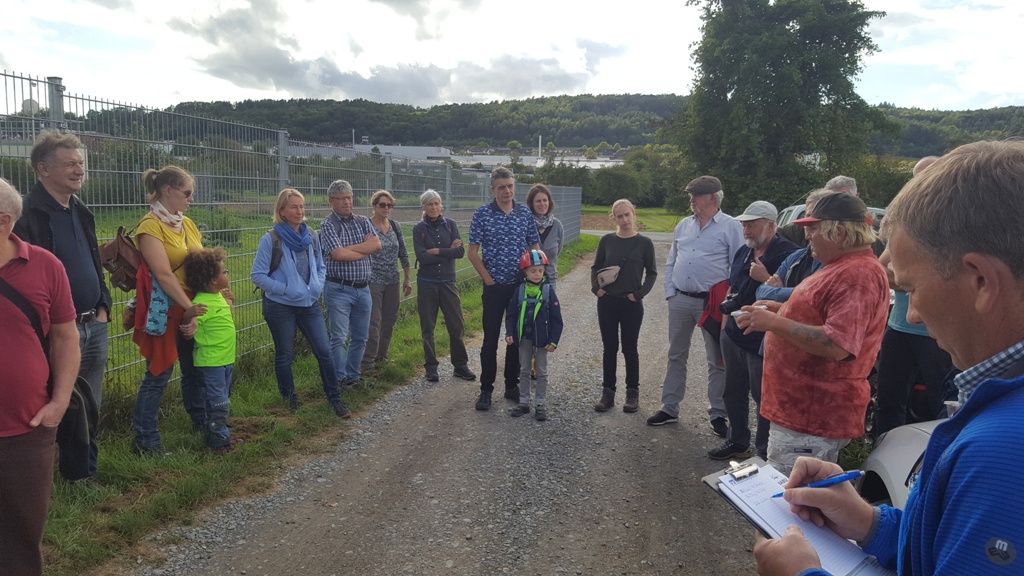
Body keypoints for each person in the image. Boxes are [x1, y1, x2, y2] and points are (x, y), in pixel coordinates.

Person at [753, 140, 1024, 576]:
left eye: (912, 289)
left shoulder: (1003, 452)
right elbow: (939, 545)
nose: (911, 314)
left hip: (814, 410)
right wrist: (871, 523)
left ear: (981, 282)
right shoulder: (996, 406)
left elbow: (840, 343)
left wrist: (804, 575)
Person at [735, 192, 888, 476]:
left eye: (814, 229)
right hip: (803, 413)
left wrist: (773, 322)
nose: (807, 236)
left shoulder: (857, 275)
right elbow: (825, 316)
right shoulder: (844, 267)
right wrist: (782, 310)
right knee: (791, 497)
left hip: (812, 416)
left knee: (793, 501)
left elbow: (836, 344)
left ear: (839, 233)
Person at [13, 131, 110, 481]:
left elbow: (94, 262)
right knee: (53, 404)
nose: (79, 170)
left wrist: (102, 305)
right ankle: (41, 479)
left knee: (89, 406)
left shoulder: (81, 211)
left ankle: (83, 475)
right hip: (55, 330)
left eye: (81, 163)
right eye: (70, 164)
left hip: (92, 324)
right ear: (43, 169)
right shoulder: (26, 217)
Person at [0, 177, 80, 576]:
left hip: (26, 429)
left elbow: (66, 336)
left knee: (20, 539)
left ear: (3, 221)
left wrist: (59, 402)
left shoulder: (45, 266)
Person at [647, 175, 743, 434]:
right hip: (680, 299)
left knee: (716, 359)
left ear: (712, 198)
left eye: (696, 195)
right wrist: (670, 292)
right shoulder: (683, 226)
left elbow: (739, 267)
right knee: (676, 354)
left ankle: (718, 414)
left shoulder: (730, 227)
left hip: (712, 303)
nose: (691, 199)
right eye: (691, 194)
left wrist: (729, 302)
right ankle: (669, 407)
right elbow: (671, 260)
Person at [709, 201, 797, 461]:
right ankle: (736, 441)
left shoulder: (788, 254)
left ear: (770, 226)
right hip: (735, 331)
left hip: (763, 336)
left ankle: (763, 450)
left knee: (763, 396)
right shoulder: (743, 252)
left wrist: (764, 275)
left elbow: (795, 298)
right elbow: (732, 287)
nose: (745, 230)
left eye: (751, 224)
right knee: (732, 390)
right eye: (744, 224)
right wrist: (725, 326)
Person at [130, 165, 208, 456]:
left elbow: (200, 263)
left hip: (189, 304)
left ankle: (201, 424)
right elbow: (162, 274)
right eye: (187, 193)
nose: (190, 200)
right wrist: (190, 310)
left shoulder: (186, 224)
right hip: (166, 308)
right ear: (168, 190)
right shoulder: (150, 227)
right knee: (159, 373)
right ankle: (146, 441)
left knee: (194, 369)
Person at [251, 189, 350, 417]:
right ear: (282, 211)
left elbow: (320, 266)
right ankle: (290, 400)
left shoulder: (311, 236)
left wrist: (317, 284)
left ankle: (334, 398)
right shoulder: (271, 239)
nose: (299, 211)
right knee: (285, 354)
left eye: (302, 206)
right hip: (280, 306)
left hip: (309, 303)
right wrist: (285, 289)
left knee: (325, 351)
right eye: (294, 207)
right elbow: (257, 275)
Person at [874, 155, 953, 434]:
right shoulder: (905, 221)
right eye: (915, 178)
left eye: (926, 177)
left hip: (934, 331)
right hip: (899, 326)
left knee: (940, 402)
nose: (919, 185)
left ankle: (930, 457)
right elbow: (881, 268)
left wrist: (903, 277)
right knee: (889, 397)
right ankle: (882, 456)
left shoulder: (952, 222)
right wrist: (910, 279)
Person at [468, 166, 540, 411]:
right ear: (493, 189)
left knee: (516, 339)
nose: (507, 191)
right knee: (490, 340)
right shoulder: (482, 214)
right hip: (495, 286)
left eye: (510, 186)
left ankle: (511, 385)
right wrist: (488, 279)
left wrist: (534, 276)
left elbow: (534, 246)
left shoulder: (524, 213)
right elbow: (472, 252)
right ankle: (486, 389)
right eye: (502, 187)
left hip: (520, 287)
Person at [591, 199, 658, 413]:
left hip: (631, 304)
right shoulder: (607, 241)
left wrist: (639, 294)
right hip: (608, 302)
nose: (624, 219)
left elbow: (652, 272)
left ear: (634, 215)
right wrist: (597, 290)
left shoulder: (644, 243)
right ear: (614, 218)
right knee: (609, 348)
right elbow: (596, 267)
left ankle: (632, 394)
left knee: (630, 348)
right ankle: (607, 393)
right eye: (619, 216)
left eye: (627, 215)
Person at [319, 180, 381, 389]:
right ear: (331, 201)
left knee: (360, 337)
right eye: (341, 198)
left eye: (349, 197)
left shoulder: (363, 221)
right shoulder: (328, 224)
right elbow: (337, 254)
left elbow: (377, 245)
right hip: (338, 289)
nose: (347, 202)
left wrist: (348, 250)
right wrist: (364, 247)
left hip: (363, 289)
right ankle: (339, 379)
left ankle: (353, 377)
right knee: (339, 337)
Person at [412, 189, 475, 383]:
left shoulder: (451, 225)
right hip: (427, 283)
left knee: (456, 325)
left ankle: (460, 365)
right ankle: (431, 367)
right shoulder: (419, 229)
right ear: (424, 207)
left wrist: (437, 250)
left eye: (436, 203)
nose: (433, 207)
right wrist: (449, 250)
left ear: (441, 205)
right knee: (428, 327)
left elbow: (460, 252)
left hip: (448, 282)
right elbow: (421, 257)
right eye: (429, 204)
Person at [183, 247, 237, 452]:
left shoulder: (219, 297)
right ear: (213, 280)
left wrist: (230, 303)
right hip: (210, 362)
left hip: (225, 359)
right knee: (218, 403)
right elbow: (188, 322)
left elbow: (226, 321)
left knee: (221, 399)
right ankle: (219, 441)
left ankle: (216, 431)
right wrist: (188, 319)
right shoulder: (200, 304)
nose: (227, 274)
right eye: (224, 272)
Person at [505, 249, 563, 421]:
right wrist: (510, 332)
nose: (537, 274)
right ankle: (524, 402)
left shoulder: (548, 291)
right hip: (524, 338)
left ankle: (540, 403)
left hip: (542, 340)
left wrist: (554, 340)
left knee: (542, 371)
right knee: (523, 370)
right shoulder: (520, 290)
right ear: (525, 272)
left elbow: (556, 318)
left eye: (540, 270)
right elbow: (511, 314)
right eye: (533, 271)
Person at [361, 189, 412, 374]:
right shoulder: (365, 225)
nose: (386, 208)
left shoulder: (395, 226)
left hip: (392, 280)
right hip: (372, 280)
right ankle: (367, 363)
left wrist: (407, 279)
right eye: (382, 205)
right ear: (374, 206)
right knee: (374, 321)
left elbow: (404, 254)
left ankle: (382, 357)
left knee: (389, 320)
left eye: (390, 205)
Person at [755, 189, 829, 304]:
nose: (807, 235)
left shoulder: (836, 262)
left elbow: (815, 296)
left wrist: (782, 291)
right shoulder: (797, 257)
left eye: (814, 226)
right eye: (806, 223)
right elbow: (761, 291)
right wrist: (796, 293)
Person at [527, 183, 564, 289]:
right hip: (528, 282)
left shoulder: (557, 225)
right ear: (532, 204)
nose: (542, 204)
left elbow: (558, 251)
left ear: (549, 202)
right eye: (538, 201)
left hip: (550, 280)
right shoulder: (526, 225)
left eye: (545, 200)